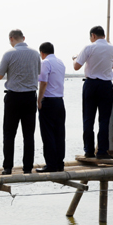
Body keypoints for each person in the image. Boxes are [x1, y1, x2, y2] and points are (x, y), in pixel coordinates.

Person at [0, 29, 41, 174]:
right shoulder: (35, 53)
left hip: (13, 97)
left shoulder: (9, 54)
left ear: (11, 39)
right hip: (30, 97)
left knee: (9, 133)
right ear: (23, 38)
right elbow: (38, 72)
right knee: (29, 134)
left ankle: (8, 167)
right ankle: (27, 167)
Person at [73, 25, 113, 159]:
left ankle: (88, 150)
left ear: (93, 35)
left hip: (91, 84)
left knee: (88, 118)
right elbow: (112, 66)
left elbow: (76, 66)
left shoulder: (89, 47)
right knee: (104, 119)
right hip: (105, 85)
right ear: (103, 35)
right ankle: (102, 151)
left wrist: (75, 58)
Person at [37, 42, 66, 172]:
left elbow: (43, 82)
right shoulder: (60, 63)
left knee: (48, 134)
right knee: (59, 133)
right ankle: (59, 163)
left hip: (48, 101)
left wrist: (39, 100)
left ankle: (51, 164)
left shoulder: (45, 62)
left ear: (42, 53)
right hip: (59, 101)